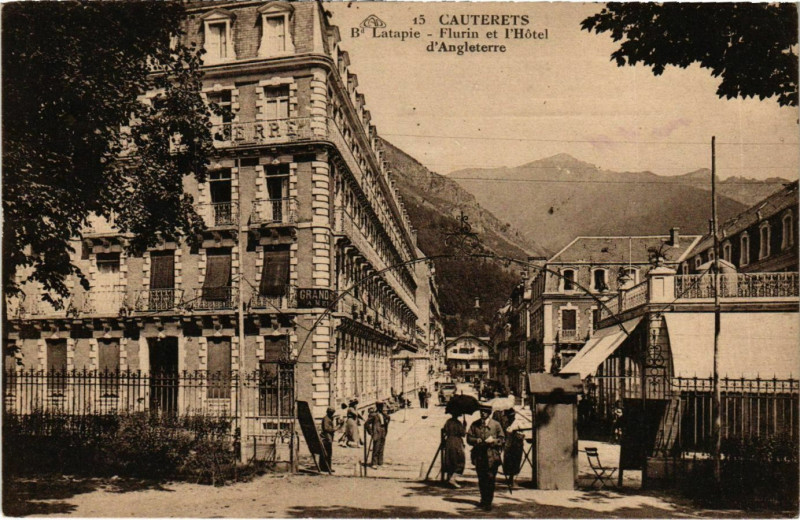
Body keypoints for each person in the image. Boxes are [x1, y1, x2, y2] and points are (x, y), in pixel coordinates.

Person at [467, 404, 505, 511]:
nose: (482, 413)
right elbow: (469, 438)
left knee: (490, 479)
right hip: (479, 456)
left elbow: (502, 439)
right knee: (481, 479)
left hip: (492, 456)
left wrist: (494, 441)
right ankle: (483, 499)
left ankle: (488, 501)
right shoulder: (475, 424)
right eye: (481, 411)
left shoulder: (496, 425)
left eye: (485, 412)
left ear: (489, 413)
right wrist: (475, 440)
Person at [441, 413, 466, 488]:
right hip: (456, 442)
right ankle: (452, 479)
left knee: (449, 459)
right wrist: (464, 426)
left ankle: (449, 478)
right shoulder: (458, 423)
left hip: (449, 441)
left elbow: (444, 430)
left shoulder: (448, 421)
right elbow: (463, 434)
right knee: (460, 460)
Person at [365, 402, 388, 468]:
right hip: (376, 432)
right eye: (380, 406)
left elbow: (387, 420)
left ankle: (380, 462)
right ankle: (374, 463)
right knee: (376, 447)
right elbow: (366, 424)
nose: (382, 408)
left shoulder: (383, 414)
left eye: (382, 406)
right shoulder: (373, 415)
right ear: (378, 407)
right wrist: (371, 432)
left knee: (381, 447)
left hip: (383, 431)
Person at [319, 407, 336, 472]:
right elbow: (326, 429)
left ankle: (326, 467)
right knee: (327, 453)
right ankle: (326, 468)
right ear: (329, 412)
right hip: (326, 439)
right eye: (332, 413)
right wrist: (334, 429)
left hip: (328, 438)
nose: (332, 414)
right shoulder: (326, 419)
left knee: (328, 454)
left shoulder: (328, 418)